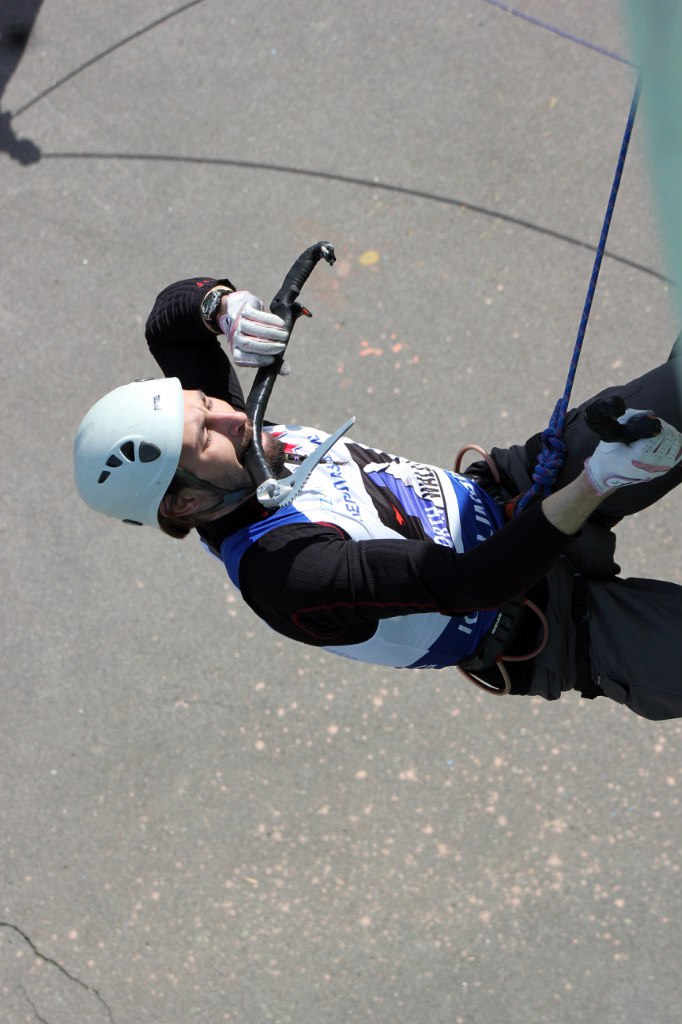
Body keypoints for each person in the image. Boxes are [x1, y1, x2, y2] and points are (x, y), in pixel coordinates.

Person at [73, 274, 682, 720]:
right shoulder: (284, 571)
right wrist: (596, 483)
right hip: (550, 619)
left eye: (207, 402)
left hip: (520, 492)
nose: (231, 417)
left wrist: (222, 307)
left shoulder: (220, 444)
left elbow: (167, 321)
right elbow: (470, 583)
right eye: (204, 432)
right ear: (180, 504)